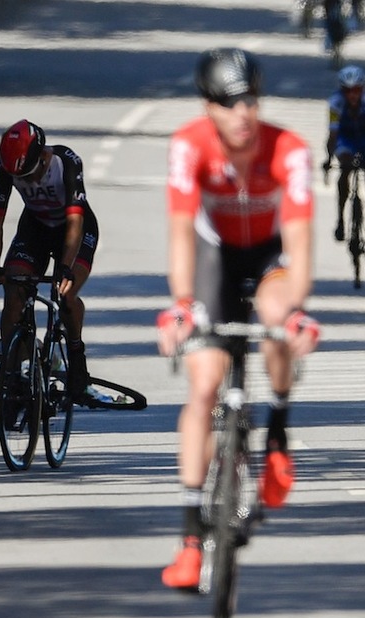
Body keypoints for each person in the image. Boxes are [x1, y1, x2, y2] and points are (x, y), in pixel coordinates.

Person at [156, 48, 321, 590]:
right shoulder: (190, 145)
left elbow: (298, 242)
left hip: (270, 255)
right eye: (229, 104)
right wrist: (181, 305)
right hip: (214, 258)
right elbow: (182, 231)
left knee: (276, 314)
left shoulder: (287, 150)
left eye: (250, 99)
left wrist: (295, 313)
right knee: (203, 385)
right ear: (209, 107)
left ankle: (276, 433)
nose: (243, 113)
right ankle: (188, 539)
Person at [0, 119, 99, 400]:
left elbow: (74, 221)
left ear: (41, 157)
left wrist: (65, 268)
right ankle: (12, 373)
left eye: (31, 174)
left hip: (74, 229)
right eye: (20, 178)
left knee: (66, 293)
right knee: (14, 293)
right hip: (35, 227)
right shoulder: (7, 167)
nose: (28, 182)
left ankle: (76, 354)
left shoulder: (67, 162)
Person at [323, 64, 365, 241]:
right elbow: (332, 134)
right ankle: (340, 220)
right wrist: (328, 159)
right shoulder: (335, 103)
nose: (352, 95)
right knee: (345, 170)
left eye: (356, 90)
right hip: (345, 140)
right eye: (347, 91)